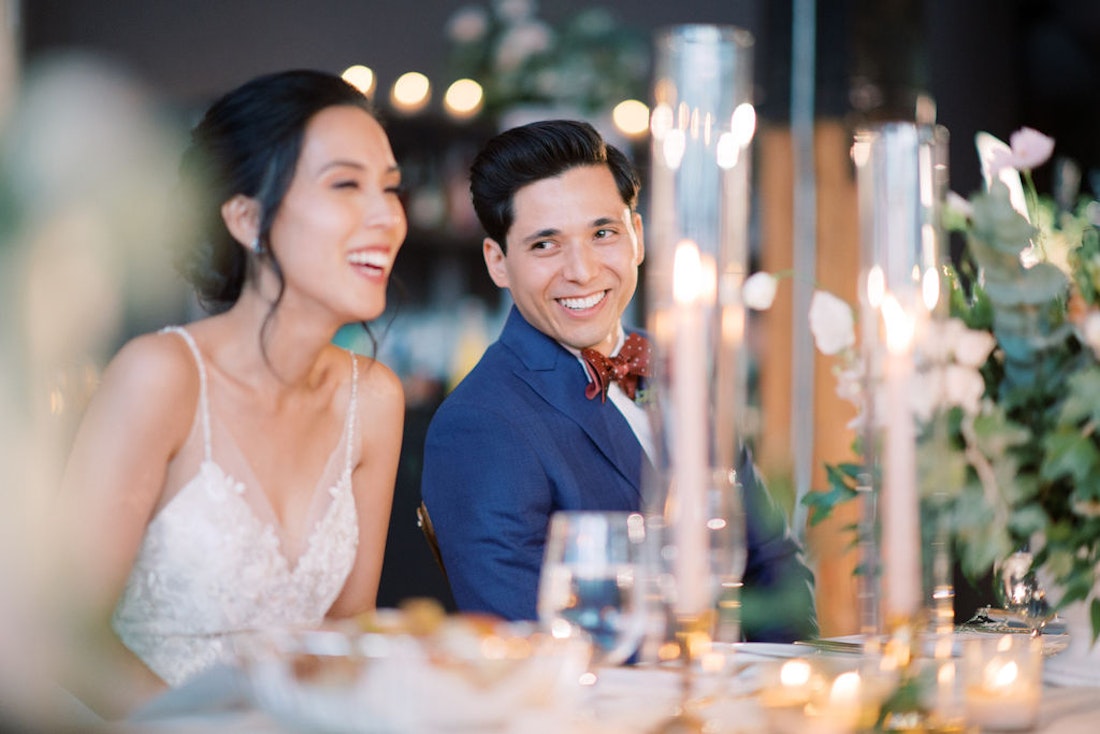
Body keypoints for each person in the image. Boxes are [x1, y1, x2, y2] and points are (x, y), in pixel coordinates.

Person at [57, 69, 406, 716]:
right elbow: (67, 637)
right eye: (346, 184)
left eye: (390, 188)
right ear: (247, 217)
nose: (387, 217)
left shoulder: (375, 400)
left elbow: (349, 635)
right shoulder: (161, 376)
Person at [420, 120, 817, 644]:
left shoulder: (680, 369)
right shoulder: (479, 426)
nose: (582, 271)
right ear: (498, 262)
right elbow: (532, 644)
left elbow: (774, 565)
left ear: (637, 236)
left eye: (602, 233)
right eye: (545, 244)